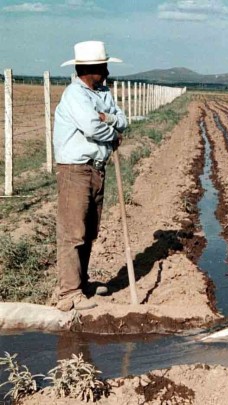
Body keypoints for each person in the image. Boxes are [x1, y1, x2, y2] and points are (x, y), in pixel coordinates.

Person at [54, 41, 127, 311]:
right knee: (73, 232)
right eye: (103, 67)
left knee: (89, 230)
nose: (107, 71)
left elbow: (123, 119)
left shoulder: (103, 93)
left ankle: (81, 284)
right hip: (75, 170)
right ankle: (68, 293)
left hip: (97, 168)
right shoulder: (75, 95)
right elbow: (91, 127)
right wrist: (113, 131)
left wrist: (106, 118)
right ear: (90, 69)